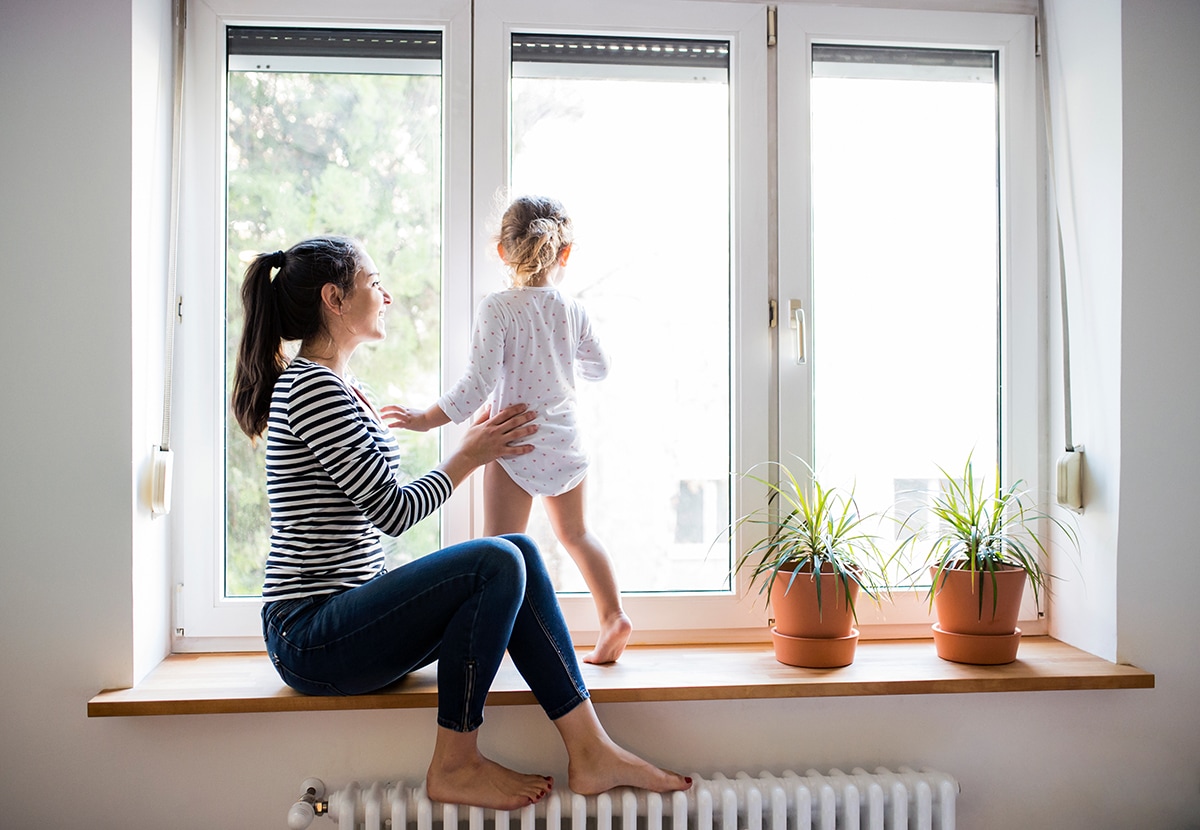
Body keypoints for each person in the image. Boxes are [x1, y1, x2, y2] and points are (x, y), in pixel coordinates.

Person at [230, 235, 690, 810]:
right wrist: (469, 454)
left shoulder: (344, 388)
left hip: (345, 619)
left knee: (516, 549)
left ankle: (590, 749)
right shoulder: (313, 389)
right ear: (335, 299)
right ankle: (455, 762)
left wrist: (470, 444)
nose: (387, 295)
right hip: (310, 635)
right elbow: (393, 510)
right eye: (374, 283)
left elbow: (372, 499)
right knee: (496, 558)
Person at [390, 196, 631, 664]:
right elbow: (600, 368)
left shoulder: (497, 309)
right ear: (565, 253)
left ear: (501, 251)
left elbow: (475, 386)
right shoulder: (571, 309)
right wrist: (561, 359)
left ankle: (492, 643)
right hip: (565, 441)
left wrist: (423, 418)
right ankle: (613, 616)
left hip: (511, 442)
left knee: (497, 553)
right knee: (578, 534)